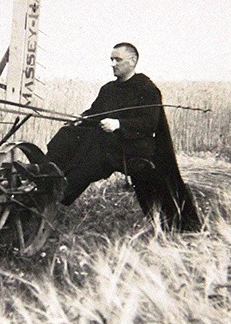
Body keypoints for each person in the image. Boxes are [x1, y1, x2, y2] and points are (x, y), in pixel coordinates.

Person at [43, 42, 200, 231]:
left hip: (135, 145)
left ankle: (62, 191)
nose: (113, 64)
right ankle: (45, 174)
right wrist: (81, 119)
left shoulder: (147, 90)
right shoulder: (108, 89)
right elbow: (95, 112)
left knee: (95, 146)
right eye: (111, 59)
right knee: (69, 133)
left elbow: (148, 124)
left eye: (118, 59)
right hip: (111, 142)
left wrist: (119, 125)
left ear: (132, 61)